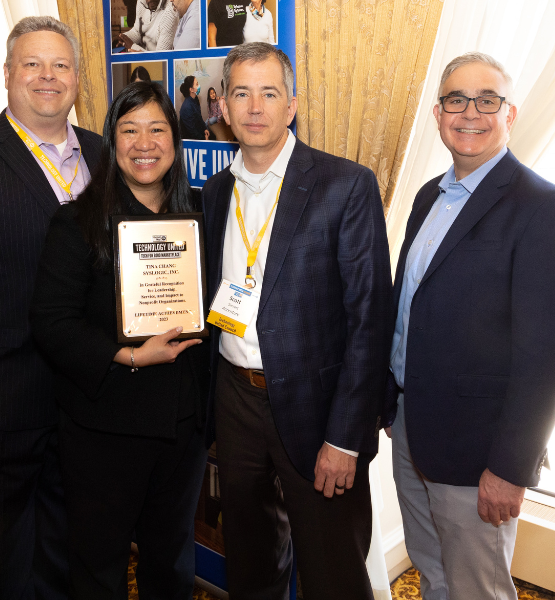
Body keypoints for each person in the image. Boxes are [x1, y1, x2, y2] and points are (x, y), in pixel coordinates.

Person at [202, 42, 393, 599]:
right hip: (235, 403)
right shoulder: (216, 192)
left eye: (269, 93)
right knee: (251, 565)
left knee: (332, 572)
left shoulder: (344, 185)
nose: (254, 106)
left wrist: (346, 438)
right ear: (223, 106)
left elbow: (369, 321)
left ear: (292, 105)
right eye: (241, 93)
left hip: (319, 412)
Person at [384, 52, 555, 600]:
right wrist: (390, 401)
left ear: (509, 113)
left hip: (477, 450)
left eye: (487, 100)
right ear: (438, 114)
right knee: (433, 574)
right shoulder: (428, 196)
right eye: (457, 99)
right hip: (412, 426)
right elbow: (409, 304)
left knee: (477, 590)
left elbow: (542, 354)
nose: (471, 112)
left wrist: (511, 468)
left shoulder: (539, 206)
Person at [30, 81, 210, 599]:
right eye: (129, 130)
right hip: (103, 431)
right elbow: (51, 322)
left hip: (181, 430)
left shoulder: (199, 215)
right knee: (98, 566)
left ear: (176, 142)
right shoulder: (78, 221)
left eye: (157, 129)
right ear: (112, 142)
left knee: (172, 563)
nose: (144, 143)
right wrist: (127, 354)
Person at [0, 15, 101, 599]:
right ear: (8, 75)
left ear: (76, 79)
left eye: (61, 65)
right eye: (33, 64)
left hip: (84, 401)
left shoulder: (100, 153)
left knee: (66, 554)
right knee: (2, 564)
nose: (48, 76)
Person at [179, 76, 210, 140]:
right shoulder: (186, 107)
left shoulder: (195, 99)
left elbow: (199, 117)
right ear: (191, 89)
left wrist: (204, 129)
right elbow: (192, 130)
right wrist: (203, 139)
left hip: (198, 132)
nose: (199, 86)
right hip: (189, 139)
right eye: (197, 84)